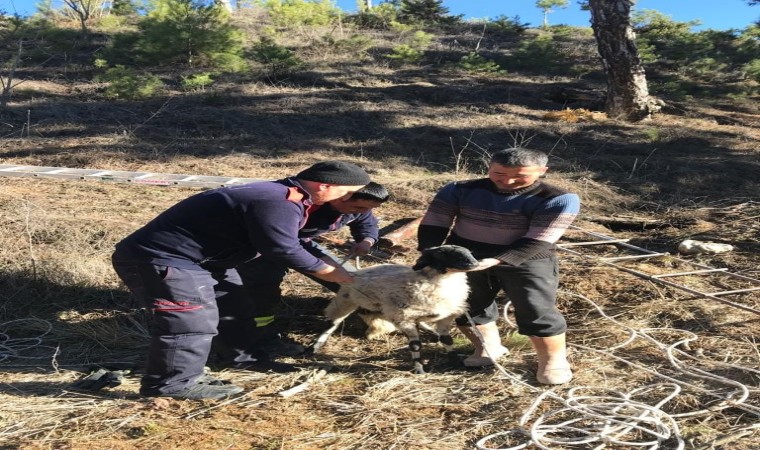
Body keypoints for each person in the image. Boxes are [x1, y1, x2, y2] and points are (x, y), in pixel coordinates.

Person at [111, 161, 371, 400]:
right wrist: (332, 274)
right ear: (324, 186)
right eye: (347, 193)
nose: (348, 198)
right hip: (162, 259)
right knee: (190, 320)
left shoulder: (293, 199)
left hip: (210, 261)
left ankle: (241, 358)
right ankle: (170, 384)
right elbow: (283, 248)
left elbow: (296, 242)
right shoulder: (277, 201)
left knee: (235, 308)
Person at [417, 148, 580, 385]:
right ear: (489, 167)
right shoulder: (459, 189)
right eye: (499, 174)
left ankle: (553, 361)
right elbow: (436, 221)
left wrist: (498, 259)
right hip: (465, 256)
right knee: (467, 303)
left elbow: (541, 237)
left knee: (535, 309)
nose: (508, 182)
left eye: (520, 177)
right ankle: (487, 348)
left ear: (542, 171)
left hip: (527, 259)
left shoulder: (559, 199)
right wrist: (430, 252)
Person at [216, 182, 390, 360]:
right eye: (358, 206)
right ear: (341, 195)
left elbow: (366, 222)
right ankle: (261, 338)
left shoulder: (358, 207)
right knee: (262, 290)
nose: (361, 211)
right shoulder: (295, 205)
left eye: (367, 208)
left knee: (353, 281)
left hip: (300, 242)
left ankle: (371, 317)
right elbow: (282, 246)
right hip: (264, 246)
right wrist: (321, 267)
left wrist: (366, 240)